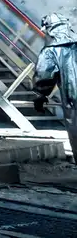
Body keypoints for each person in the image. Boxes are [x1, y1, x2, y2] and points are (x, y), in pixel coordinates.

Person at [33, 13, 77, 161]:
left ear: (49, 29)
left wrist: (40, 96)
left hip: (73, 101)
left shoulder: (51, 50)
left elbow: (44, 76)